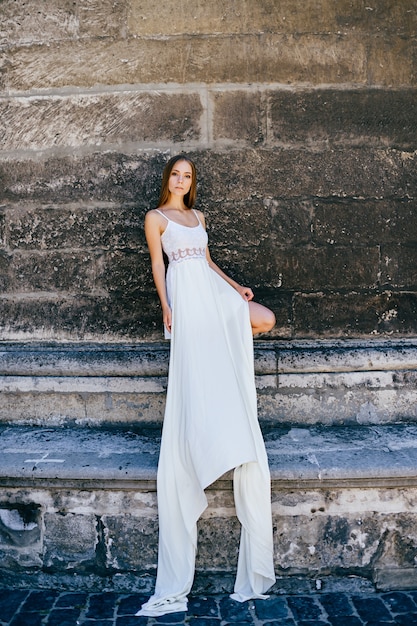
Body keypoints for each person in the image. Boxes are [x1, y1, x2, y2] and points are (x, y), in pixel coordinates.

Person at [136, 155, 276, 617]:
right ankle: (211, 421)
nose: (181, 180)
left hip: (211, 289)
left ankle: (224, 379)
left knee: (263, 318)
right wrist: (166, 306)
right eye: (176, 174)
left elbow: (209, 261)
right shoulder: (155, 218)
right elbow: (159, 265)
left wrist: (237, 289)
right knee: (202, 356)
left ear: (192, 183)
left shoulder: (198, 217)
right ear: (167, 180)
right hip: (185, 296)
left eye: (188, 175)